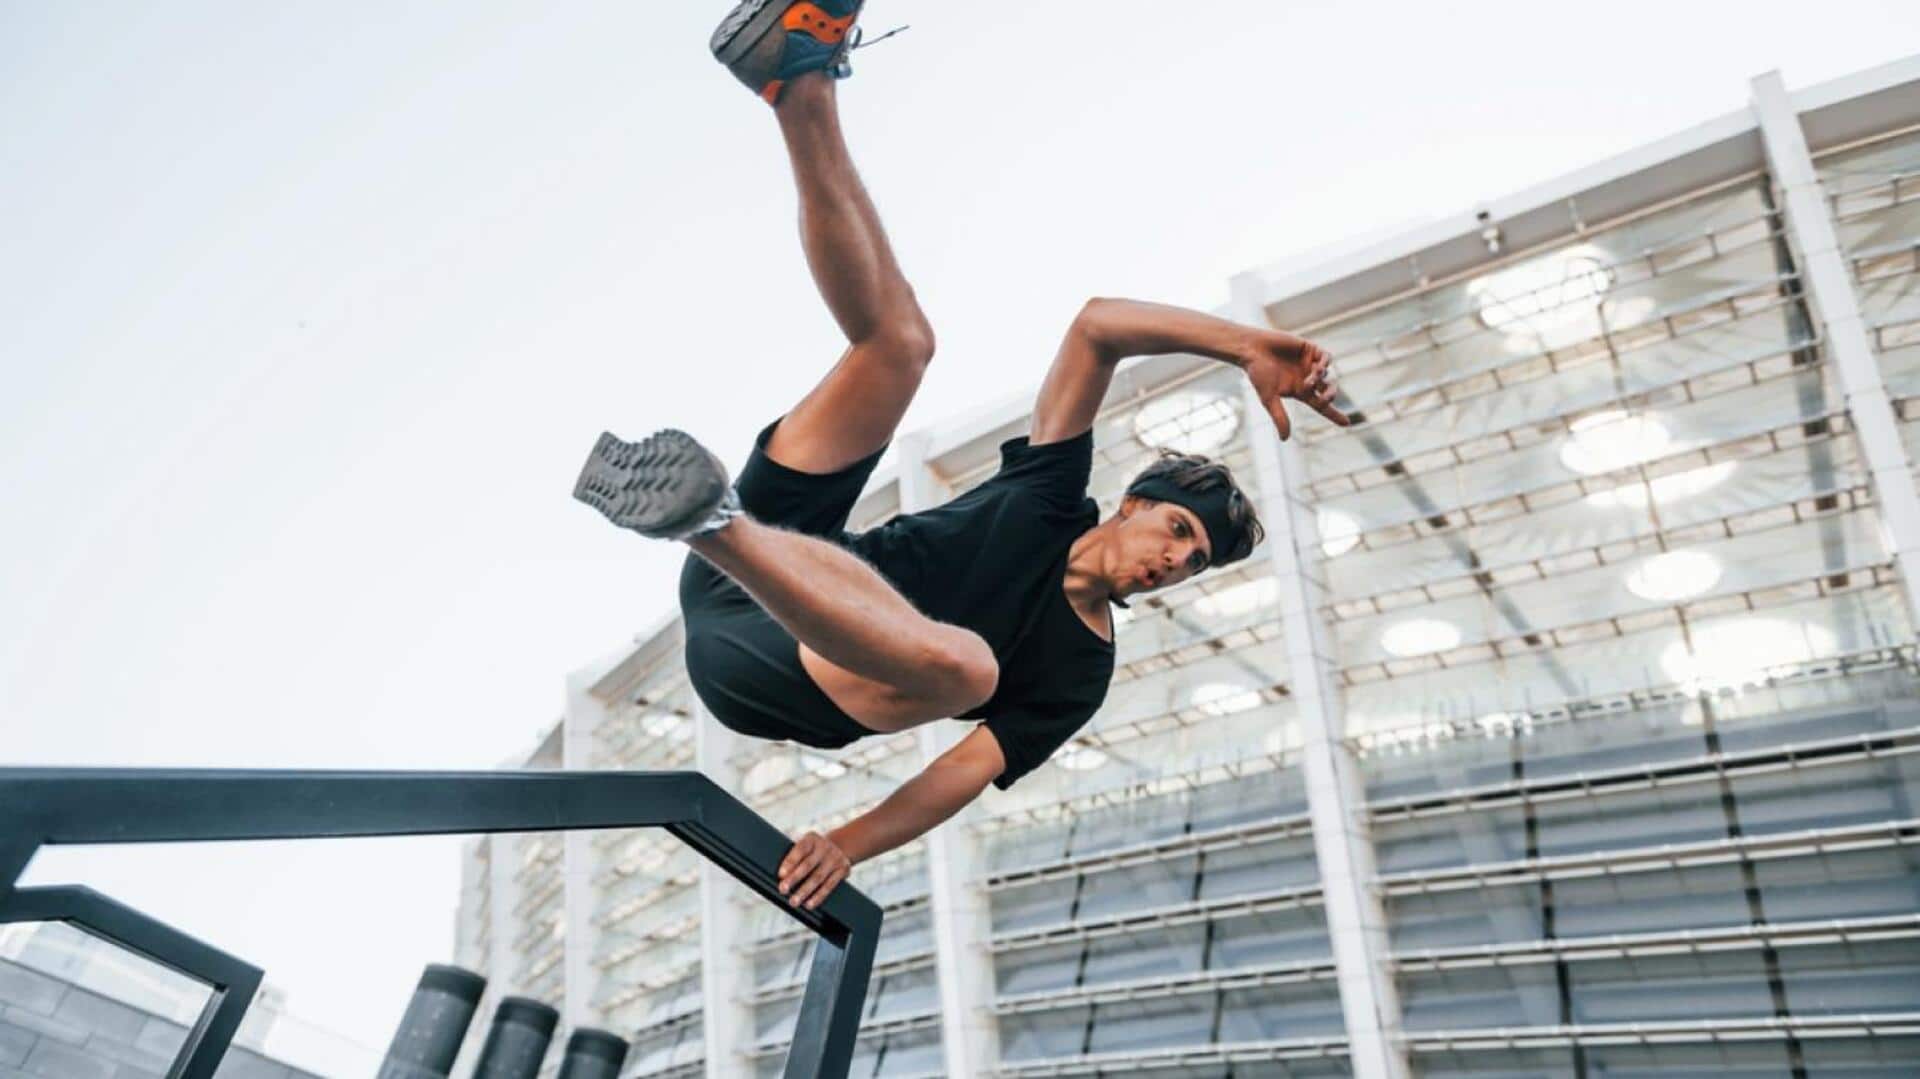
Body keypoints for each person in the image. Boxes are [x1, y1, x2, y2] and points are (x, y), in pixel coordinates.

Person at [573, 0, 1350, 913]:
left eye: (1193, 564)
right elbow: (1096, 326)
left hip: (783, 676)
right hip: (761, 572)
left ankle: (708, 522)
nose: (1176, 561)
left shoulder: (1078, 669)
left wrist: (849, 842)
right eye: (1179, 530)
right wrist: (1240, 345)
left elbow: (962, 769)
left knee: (974, 671)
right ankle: (795, 81)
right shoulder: (1054, 491)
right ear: (1131, 503)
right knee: (901, 344)